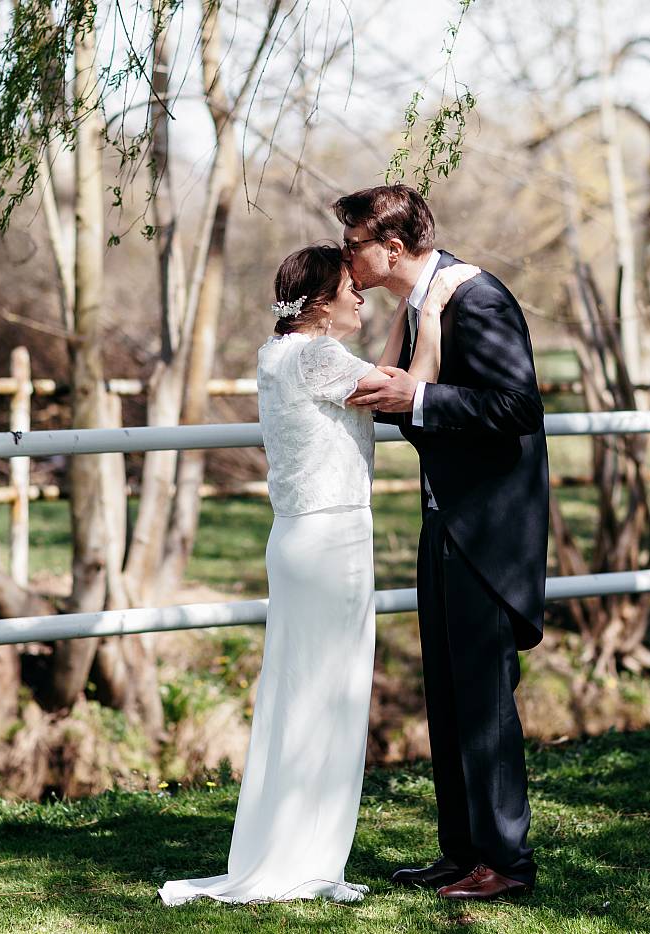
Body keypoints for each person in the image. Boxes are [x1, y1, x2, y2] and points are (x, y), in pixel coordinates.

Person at [158, 243, 477, 906]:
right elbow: (403, 394)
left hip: (299, 539)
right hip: (332, 540)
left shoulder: (282, 354)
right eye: (349, 290)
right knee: (326, 698)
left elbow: (375, 377)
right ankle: (301, 861)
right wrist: (433, 316)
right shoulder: (316, 356)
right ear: (320, 304)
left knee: (298, 694)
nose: (361, 296)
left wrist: (403, 318)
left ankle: (291, 850)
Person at [340, 185, 550, 902]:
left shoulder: (476, 298)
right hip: (446, 519)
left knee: (484, 700)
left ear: (391, 248)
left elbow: (516, 406)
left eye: (353, 243)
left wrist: (418, 399)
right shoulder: (423, 303)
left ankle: (506, 864)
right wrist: (411, 392)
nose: (346, 255)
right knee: (449, 695)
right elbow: (408, 401)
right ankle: (462, 854)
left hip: (488, 531)